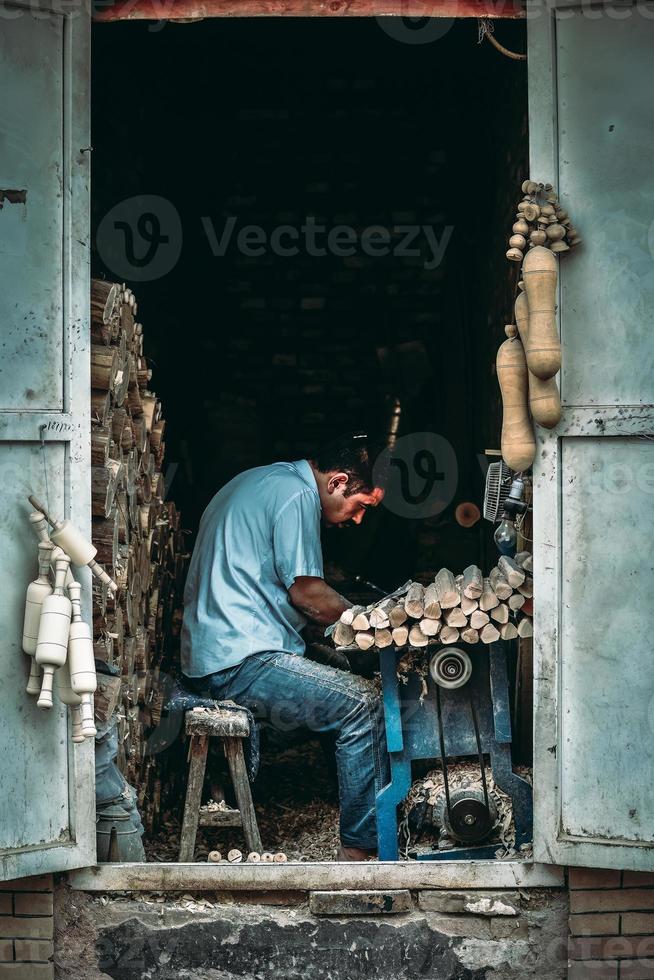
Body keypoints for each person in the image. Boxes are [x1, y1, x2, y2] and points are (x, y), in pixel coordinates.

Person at [180, 433, 389, 861]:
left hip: (217, 649)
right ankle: (363, 853)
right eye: (361, 506)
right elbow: (308, 594)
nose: (358, 520)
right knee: (362, 705)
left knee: (340, 683)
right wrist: (370, 622)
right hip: (238, 659)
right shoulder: (296, 496)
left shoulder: (262, 481)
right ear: (338, 482)